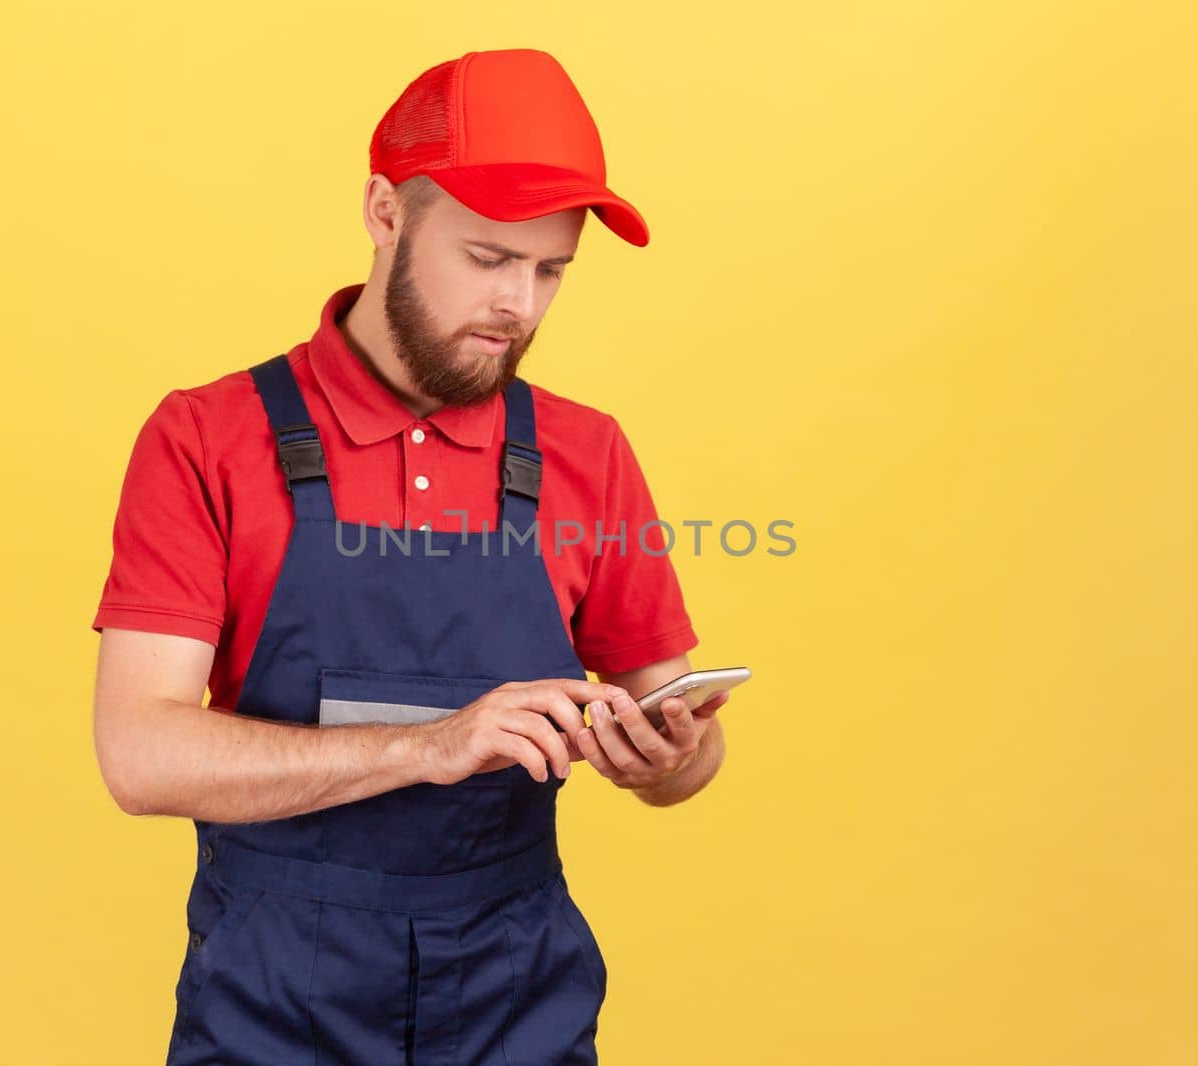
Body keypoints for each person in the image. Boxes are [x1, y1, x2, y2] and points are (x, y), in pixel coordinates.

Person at [90, 47, 731, 1065]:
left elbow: (687, 753)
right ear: (386, 211)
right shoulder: (204, 438)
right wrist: (434, 745)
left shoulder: (585, 452)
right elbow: (139, 753)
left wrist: (668, 754)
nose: (519, 305)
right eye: (487, 258)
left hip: (521, 1000)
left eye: (550, 268)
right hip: (273, 1010)